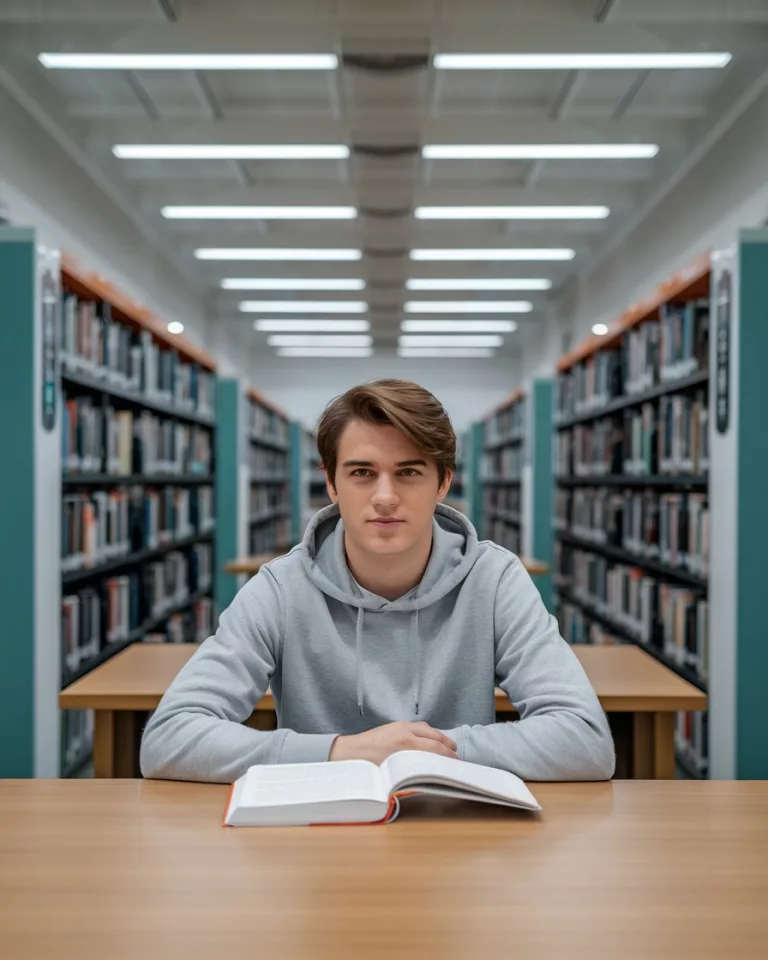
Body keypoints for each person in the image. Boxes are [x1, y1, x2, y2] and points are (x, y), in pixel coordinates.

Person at [141, 379, 615, 783]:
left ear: (443, 482)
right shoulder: (280, 588)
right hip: (317, 837)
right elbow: (169, 737)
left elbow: (586, 740)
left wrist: (427, 752)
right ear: (331, 483)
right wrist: (337, 752)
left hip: (460, 835)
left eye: (408, 472)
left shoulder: (495, 581)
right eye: (363, 473)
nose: (385, 497)